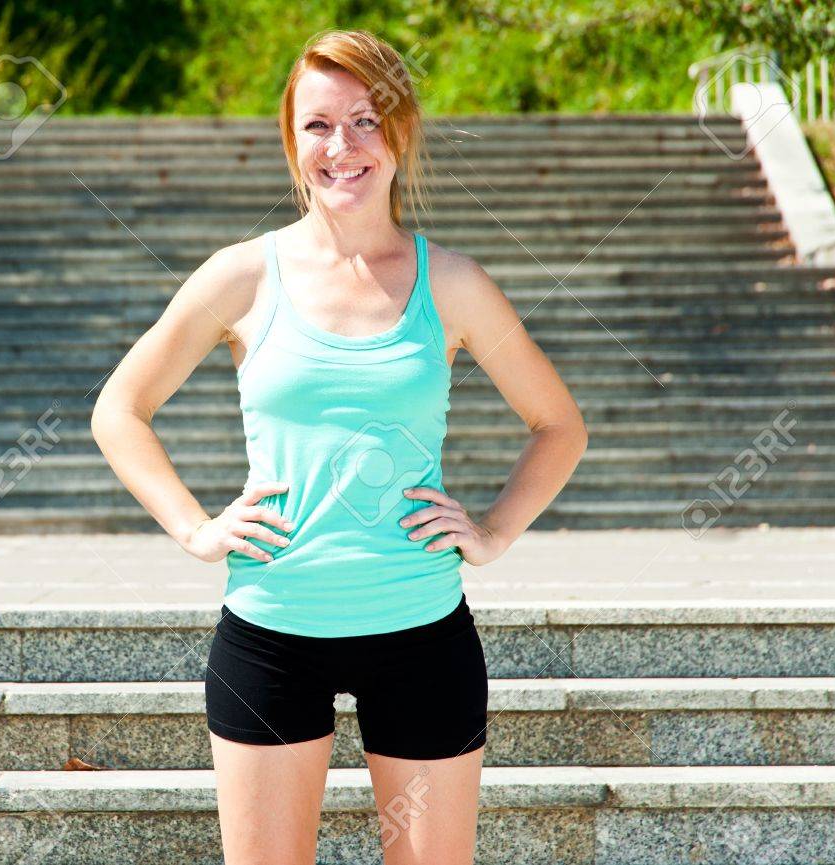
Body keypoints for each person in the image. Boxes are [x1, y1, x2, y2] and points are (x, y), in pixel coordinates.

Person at [91, 27, 588, 865]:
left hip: (423, 632)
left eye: (364, 120)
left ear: (399, 133)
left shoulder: (454, 283)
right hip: (271, 632)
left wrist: (495, 532)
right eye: (318, 125)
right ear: (292, 141)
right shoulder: (241, 276)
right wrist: (194, 528)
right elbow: (120, 408)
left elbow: (560, 424)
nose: (342, 146)